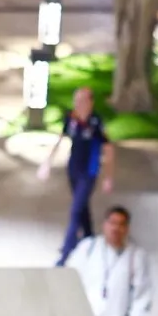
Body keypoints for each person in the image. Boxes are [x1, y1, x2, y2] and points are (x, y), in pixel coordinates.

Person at [38, 87, 116, 266]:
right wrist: (47, 163)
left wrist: (108, 176)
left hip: (89, 172)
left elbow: (108, 148)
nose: (78, 105)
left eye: (82, 101)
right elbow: (60, 138)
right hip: (73, 169)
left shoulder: (96, 122)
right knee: (82, 207)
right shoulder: (71, 118)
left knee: (75, 210)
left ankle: (67, 251)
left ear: (90, 102)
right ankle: (89, 237)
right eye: (76, 101)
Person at [66, 205, 153, 316]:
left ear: (127, 228)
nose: (116, 228)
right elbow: (68, 279)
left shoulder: (136, 256)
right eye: (112, 223)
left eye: (121, 224)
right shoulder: (89, 248)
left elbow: (142, 294)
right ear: (105, 224)